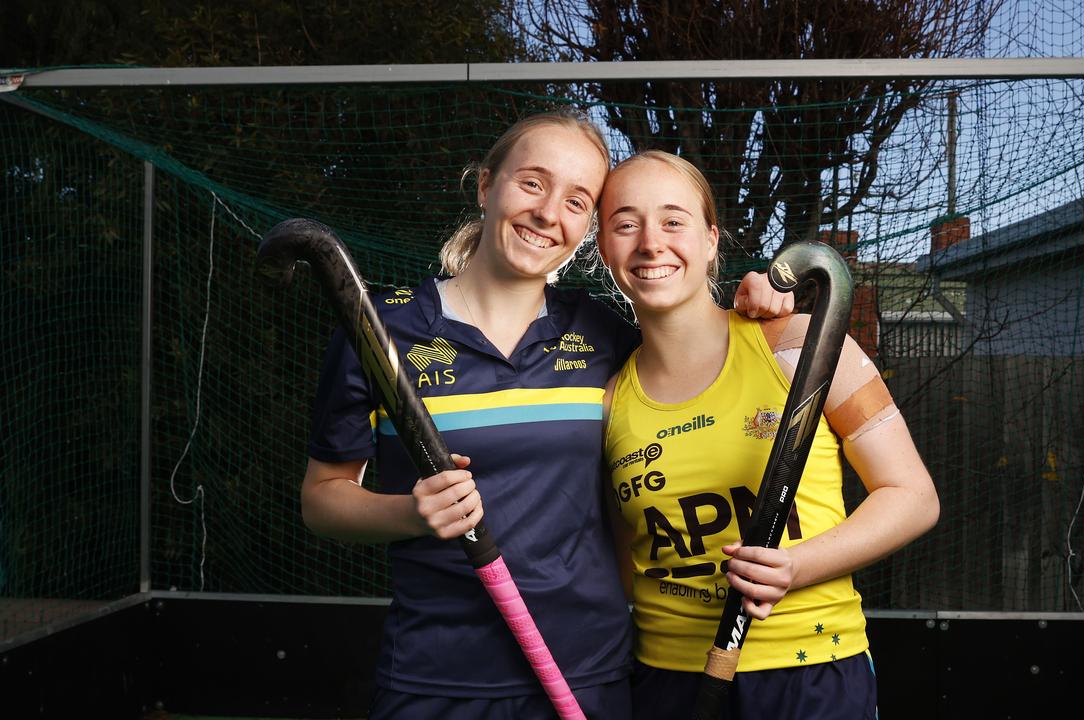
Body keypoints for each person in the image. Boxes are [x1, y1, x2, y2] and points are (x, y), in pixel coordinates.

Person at [301, 111, 793, 720]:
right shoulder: (378, 330)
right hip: (435, 679)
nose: (548, 212)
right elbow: (323, 498)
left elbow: (696, 345)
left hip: (587, 673)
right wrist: (410, 511)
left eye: (577, 200)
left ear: (586, 227)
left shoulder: (605, 334)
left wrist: (760, 299)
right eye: (532, 183)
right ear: (486, 186)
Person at [597, 151, 940, 719]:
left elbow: (913, 497)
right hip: (665, 680)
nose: (651, 242)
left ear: (711, 240)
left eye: (673, 220)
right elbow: (623, 567)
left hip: (811, 672)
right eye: (626, 223)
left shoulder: (799, 345)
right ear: (605, 247)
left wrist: (796, 566)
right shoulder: (610, 401)